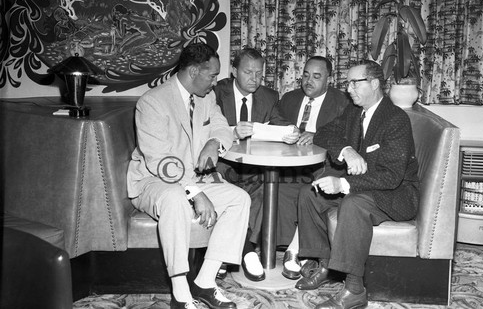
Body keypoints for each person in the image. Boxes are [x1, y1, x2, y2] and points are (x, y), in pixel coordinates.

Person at [127, 43, 251, 309]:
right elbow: (161, 160)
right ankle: (180, 292)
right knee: (174, 199)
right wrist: (196, 193)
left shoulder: (206, 97)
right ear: (194, 71)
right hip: (153, 180)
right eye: (212, 75)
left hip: (191, 179)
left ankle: (205, 281)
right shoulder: (152, 102)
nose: (215, 81)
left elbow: (220, 126)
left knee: (239, 198)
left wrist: (213, 144)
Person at [295, 60, 419, 309]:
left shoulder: (395, 120)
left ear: (374, 83)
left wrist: (342, 184)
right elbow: (324, 132)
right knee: (309, 193)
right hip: (366, 188)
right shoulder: (354, 111)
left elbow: (391, 177)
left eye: (354, 82)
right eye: (347, 82)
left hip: (395, 194)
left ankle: (354, 290)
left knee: (352, 204)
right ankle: (326, 264)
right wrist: (347, 150)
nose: (348, 88)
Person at [214, 47, 299, 282]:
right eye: (248, 72)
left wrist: (291, 132)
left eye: (259, 74)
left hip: (253, 166)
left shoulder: (269, 96)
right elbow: (204, 128)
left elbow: (282, 124)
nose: (254, 79)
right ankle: (246, 253)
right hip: (222, 163)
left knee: (265, 188)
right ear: (234, 71)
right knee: (226, 191)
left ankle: (242, 249)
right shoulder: (216, 91)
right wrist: (232, 131)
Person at [277, 56, 350, 279]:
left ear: (330, 78)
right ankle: (289, 247)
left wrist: (317, 136)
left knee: (313, 190)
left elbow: (347, 136)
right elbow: (276, 122)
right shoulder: (289, 98)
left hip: (325, 166)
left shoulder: (343, 102)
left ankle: (295, 249)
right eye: (306, 75)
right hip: (291, 164)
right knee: (274, 186)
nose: (309, 81)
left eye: (317, 77)